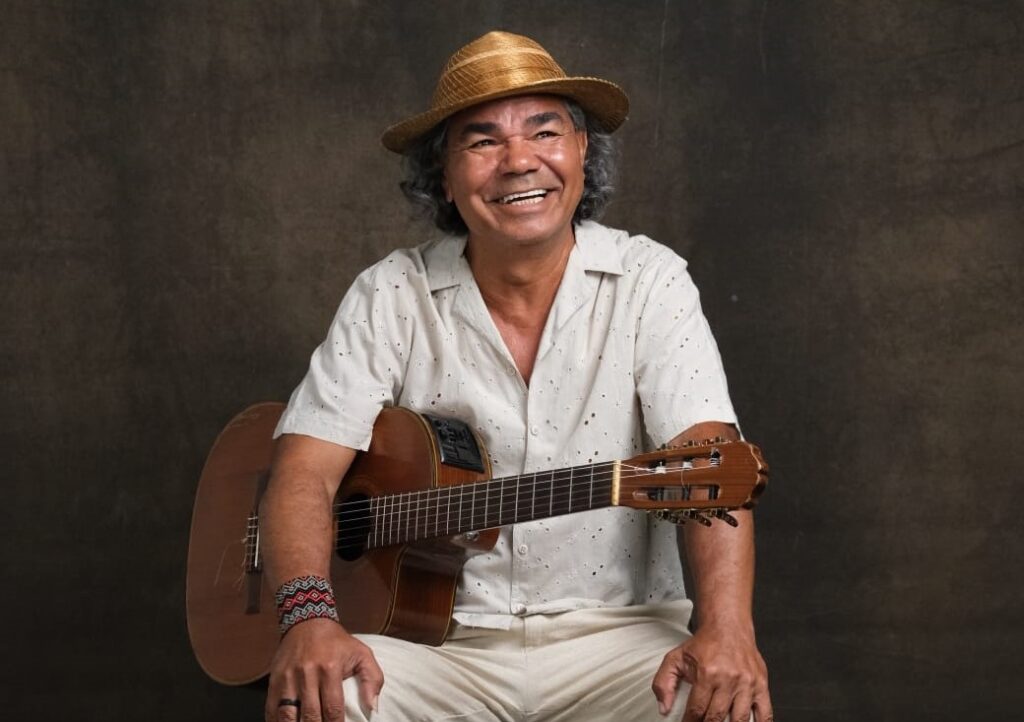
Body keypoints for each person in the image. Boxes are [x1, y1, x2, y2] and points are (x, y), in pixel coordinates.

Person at [260, 30, 772, 722]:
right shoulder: (390, 294)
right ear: (443, 176)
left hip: (620, 642)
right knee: (322, 702)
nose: (519, 161)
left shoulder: (650, 281)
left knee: (719, 705)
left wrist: (729, 631)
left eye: (544, 132)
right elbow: (304, 473)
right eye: (482, 141)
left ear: (582, 150)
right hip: (433, 646)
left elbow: (709, 462)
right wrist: (309, 617)